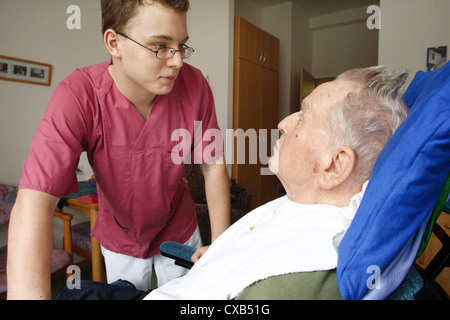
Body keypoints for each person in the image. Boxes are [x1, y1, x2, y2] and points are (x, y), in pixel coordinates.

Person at [55, 65, 410, 300]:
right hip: (137, 245)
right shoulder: (301, 202)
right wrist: (223, 250)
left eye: (304, 116)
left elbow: (212, 169)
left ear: (334, 166)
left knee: (72, 294)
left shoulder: (307, 259)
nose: (285, 122)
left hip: (178, 269)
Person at [7, 0, 230, 300]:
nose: (177, 61)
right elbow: (34, 199)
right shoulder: (78, 96)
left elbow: (213, 164)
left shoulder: (196, 86)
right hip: (121, 235)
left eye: (182, 45)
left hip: (180, 229)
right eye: (161, 46)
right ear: (115, 43)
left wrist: (221, 245)